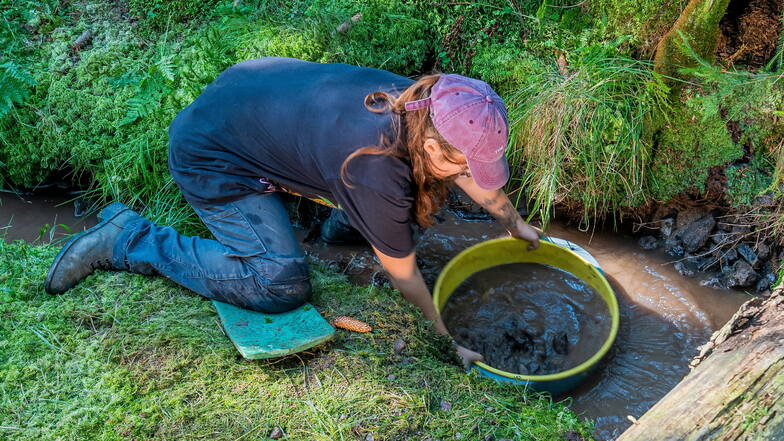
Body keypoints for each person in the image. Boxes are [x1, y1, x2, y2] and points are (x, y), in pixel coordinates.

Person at [44, 57, 541, 367]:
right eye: (461, 160)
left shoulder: (421, 102)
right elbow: (403, 272)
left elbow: (468, 172)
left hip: (250, 98)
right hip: (212, 155)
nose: (468, 172)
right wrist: (443, 333)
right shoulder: (374, 169)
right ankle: (128, 239)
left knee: (405, 202)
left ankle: (334, 225)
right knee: (279, 285)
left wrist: (514, 224)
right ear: (432, 140)